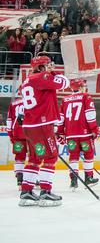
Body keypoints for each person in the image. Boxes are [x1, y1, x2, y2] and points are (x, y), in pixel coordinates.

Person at [18, 56, 69, 206]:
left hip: (29, 125)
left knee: (34, 158)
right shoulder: (42, 76)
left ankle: (26, 192)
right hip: (42, 124)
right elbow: (64, 83)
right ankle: (45, 192)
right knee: (51, 156)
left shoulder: (27, 81)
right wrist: (54, 73)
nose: (50, 67)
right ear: (41, 67)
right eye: (47, 65)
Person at [57, 78, 99, 189]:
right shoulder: (86, 96)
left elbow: (60, 118)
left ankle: (74, 181)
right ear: (80, 87)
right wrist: (94, 129)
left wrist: (60, 132)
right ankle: (89, 178)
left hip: (70, 135)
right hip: (84, 134)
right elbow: (90, 114)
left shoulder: (65, 99)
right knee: (88, 154)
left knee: (73, 157)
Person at [7, 94, 27, 187]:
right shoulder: (33, 101)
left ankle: (20, 178)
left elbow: (9, 120)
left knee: (19, 156)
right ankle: (34, 177)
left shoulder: (13, 103)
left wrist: (10, 134)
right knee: (34, 157)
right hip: (31, 132)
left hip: (17, 133)